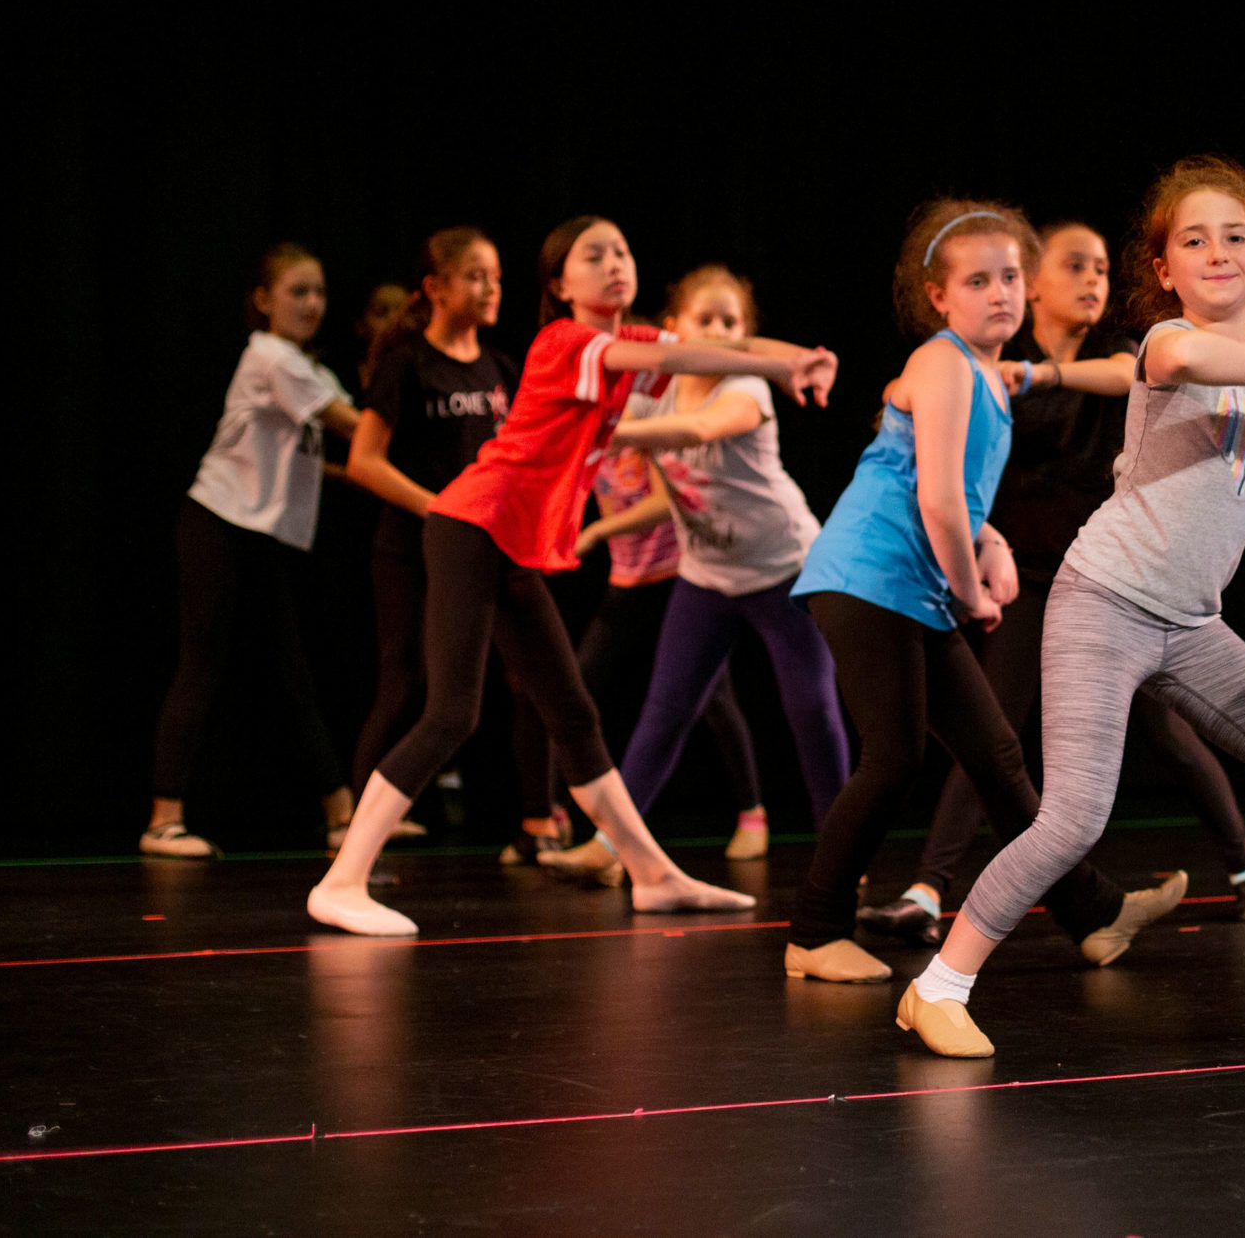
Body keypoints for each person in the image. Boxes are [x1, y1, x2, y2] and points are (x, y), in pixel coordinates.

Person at [897, 161, 1245, 1059]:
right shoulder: (1166, 342)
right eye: (1193, 239)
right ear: (1164, 270)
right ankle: (936, 987)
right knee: (1074, 814)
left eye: (1237, 236)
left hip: (1190, 622)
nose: (1217, 251)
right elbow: (1186, 358)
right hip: (1103, 600)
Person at [304, 216, 837, 936]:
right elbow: (691, 362)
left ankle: (650, 874)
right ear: (560, 284)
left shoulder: (633, 345)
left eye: (622, 249)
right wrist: (780, 366)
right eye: (595, 255)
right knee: (452, 710)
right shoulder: (568, 343)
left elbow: (724, 348)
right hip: (472, 524)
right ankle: (341, 880)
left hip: (514, 542)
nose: (615, 262)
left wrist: (800, 357)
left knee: (574, 712)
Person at [786, 201, 1187, 984]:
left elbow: (958, 502)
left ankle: (1094, 914)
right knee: (894, 756)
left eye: (1011, 276)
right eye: (978, 280)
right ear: (939, 296)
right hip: (867, 579)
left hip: (910, 588)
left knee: (998, 757)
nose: (1000, 292)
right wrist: (973, 592)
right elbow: (934, 500)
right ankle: (814, 929)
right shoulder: (941, 361)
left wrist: (990, 543)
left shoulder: (990, 382)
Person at [863, 220, 1245, 949]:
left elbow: (1125, 376)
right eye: (1073, 266)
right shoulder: (988, 352)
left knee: (1167, 729)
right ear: (1034, 282)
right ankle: (928, 890)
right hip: (1026, 570)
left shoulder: (1118, 355)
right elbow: (924, 398)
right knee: (993, 727)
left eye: (1102, 270)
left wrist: (1038, 377)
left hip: (1112, 576)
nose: (1093, 281)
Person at [558, 266, 850, 872]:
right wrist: (597, 522)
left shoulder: (747, 388)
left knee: (812, 709)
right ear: (674, 332)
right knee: (666, 710)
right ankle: (614, 846)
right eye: (704, 321)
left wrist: (611, 433)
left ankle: (842, 852)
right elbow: (674, 492)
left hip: (786, 570)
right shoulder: (651, 388)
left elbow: (699, 429)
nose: (718, 331)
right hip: (707, 575)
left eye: (731, 322)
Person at [143, 244, 362, 857]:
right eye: (298, 291)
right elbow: (359, 427)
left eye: (319, 291)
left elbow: (338, 459)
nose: (312, 303)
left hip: (259, 533)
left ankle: (343, 815)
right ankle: (163, 821)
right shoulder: (270, 357)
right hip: (216, 520)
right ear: (263, 300)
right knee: (201, 661)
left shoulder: (308, 370)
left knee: (291, 668)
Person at [341, 227, 515, 852]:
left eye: (495, 275)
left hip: (478, 554)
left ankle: (539, 821)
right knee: (406, 679)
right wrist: (441, 508)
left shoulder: (500, 368)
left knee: (501, 684)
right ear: (435, 288)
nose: (490, 287)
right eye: (475, 275)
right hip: (410, 549)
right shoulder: (407, 362)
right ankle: (358, 825)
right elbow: (364, 461)